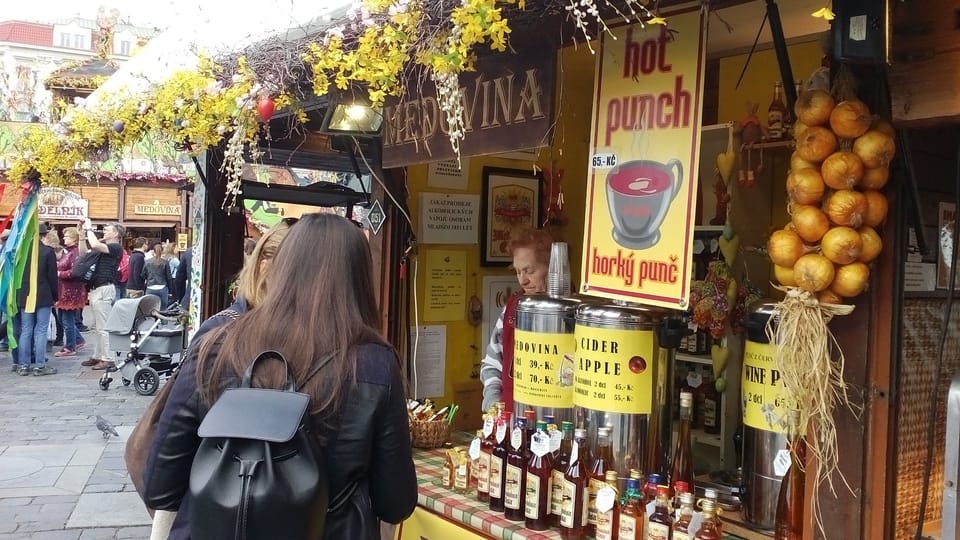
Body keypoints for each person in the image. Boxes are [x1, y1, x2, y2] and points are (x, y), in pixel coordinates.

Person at [143, 213, 417, 539]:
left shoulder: (216, 344)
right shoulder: (375, 365)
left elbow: (160, 484)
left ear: (284, 266)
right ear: (359, 278)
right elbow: (396, 503)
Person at [479, 227, 552, 411]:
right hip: (510, 423)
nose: (522, 280)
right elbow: (492, 363)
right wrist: (493, 402)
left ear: (551, 266)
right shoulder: (511, 308)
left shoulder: (573, 312)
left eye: (529, 271)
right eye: (518, 272)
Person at [14, 223, 60, 376]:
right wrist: (55, 296)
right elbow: (52, 277)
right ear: (43, 235)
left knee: (25, 330)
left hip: (24, 296)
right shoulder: (48, 252)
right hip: (43, 295)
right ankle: (40, 365)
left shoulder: (20, 252)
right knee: (40, 330)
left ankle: (23, 365)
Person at [82, 221, 123, 370]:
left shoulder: (115, 247)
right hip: (95, 288)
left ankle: (108, 358)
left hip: (104, 288)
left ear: (116, 233)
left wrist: (88, 229)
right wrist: (82, 236)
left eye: (107, 229)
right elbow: (84, 252)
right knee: (95, 326)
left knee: (103, 326)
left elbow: (95, 245)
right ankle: (97, 355)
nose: (104, 231)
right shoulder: (103, 247)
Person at [53, 227, 88, 359]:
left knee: (66, 320)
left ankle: (70, 346)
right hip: (64, 290)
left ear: (74, 238)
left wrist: (58, 273)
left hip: (70, 291)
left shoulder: (75, 253)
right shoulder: (68, 252)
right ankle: (78, 340)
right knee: (63, 319)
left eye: (67, 236)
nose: (64, 238)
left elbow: (75, 272)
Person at [142, 243, 173, 311]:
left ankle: (151, 321)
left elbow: (143, 275)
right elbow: (169, 277)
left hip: (150, 287)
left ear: (153, 251)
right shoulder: (165, 262)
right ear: (161, 251)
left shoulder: (147, 262)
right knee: (163, 308)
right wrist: (171, 291)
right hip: (162, 287)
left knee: (149, 309)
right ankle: (163, 321)